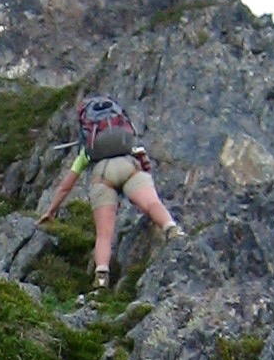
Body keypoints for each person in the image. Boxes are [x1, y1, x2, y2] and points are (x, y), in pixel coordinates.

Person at [37, 89, 185, 288]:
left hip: (102, 175)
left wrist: (51, 211)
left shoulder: (87, 151)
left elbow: (66, 186)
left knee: (104, 234)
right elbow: (143, 158)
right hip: (129, 166)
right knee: (152, 204)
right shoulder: (123, 138)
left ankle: (101, 277)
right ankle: (171, 229)